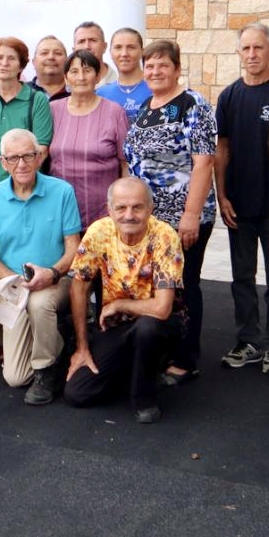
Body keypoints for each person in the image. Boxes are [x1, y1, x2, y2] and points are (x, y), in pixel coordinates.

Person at [125, 39, 215, 386]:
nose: (155, 71)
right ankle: (161, 350)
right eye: (149, 66)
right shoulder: (146, 106)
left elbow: (203, 162)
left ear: (177, 69)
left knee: (183, 284)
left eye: (163, 65)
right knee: (157, 287)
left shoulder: (194, 104)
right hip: (150, 219)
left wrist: (191, 215)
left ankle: (186, 359)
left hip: (183, 217)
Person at [64, 177, 186, 424]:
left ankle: (144, 399)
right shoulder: (99, 232)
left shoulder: (165, 236)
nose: (129, 215)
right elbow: (79, 287)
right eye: (121, 207)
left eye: (137, 207)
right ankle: (136, 369)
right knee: (77, 393)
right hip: (116, 326)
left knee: (147, 329)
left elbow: (162, 309)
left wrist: (118, 305)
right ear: (110, 210)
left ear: (150, 208)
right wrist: (82, 347)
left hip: (161, 325)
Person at [0, 129, 82, 403]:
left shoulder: (62, 191)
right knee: (16, 377)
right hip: (15, 287)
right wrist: (17, 281)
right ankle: (61, 339)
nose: (21, 164)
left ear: (39, 157)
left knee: (39, 303)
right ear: (3, 162)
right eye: (13, 158)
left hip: (57, 280)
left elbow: (74, 248)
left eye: (27, 156)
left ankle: (46, 371)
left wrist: (52, 273)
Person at [0, 37, 53, 365]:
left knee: (23, 257)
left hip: (27, 194)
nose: (4, 63)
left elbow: (41, 149)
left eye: (11, 58)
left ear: (22, 64)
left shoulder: (36, 101)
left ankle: (28, 331)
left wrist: (20, 179)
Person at [213, 24, 269, 374]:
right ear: (238, 53)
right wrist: (222, 195)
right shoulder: (229, 96)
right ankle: (248, 341)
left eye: (258, 48)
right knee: (242, 278)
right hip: (239, 205)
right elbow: (222, 148)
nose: (252, 54)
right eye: (245, 48)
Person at [48, 49, 130, 227]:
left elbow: (126, 164)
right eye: (74, 71)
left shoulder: (115, 112)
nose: (81, 77)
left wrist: (123, 206)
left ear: (98, 76)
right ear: (66, 77)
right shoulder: (53, 110)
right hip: (59, 211)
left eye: (87, 71)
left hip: (104, 214)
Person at [96, 27, 148, 120]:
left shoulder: (156, 89)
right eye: (118, 47)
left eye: (131, 47)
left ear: (142, 52)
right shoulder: (101, 95)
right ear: (110, 52)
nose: (124, 54)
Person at [73, 21, 113, 86]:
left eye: (93, 40)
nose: (87, 47)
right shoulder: (67, 87)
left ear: (104, 47)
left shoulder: (119, 81)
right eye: (81, 41)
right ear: (74, 50)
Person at [30, 36, 69, 101]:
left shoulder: (79, 91)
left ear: (67, 62)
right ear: (34, 62)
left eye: (58, 53)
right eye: (44, 53)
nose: (51, 57)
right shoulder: (21, 92)